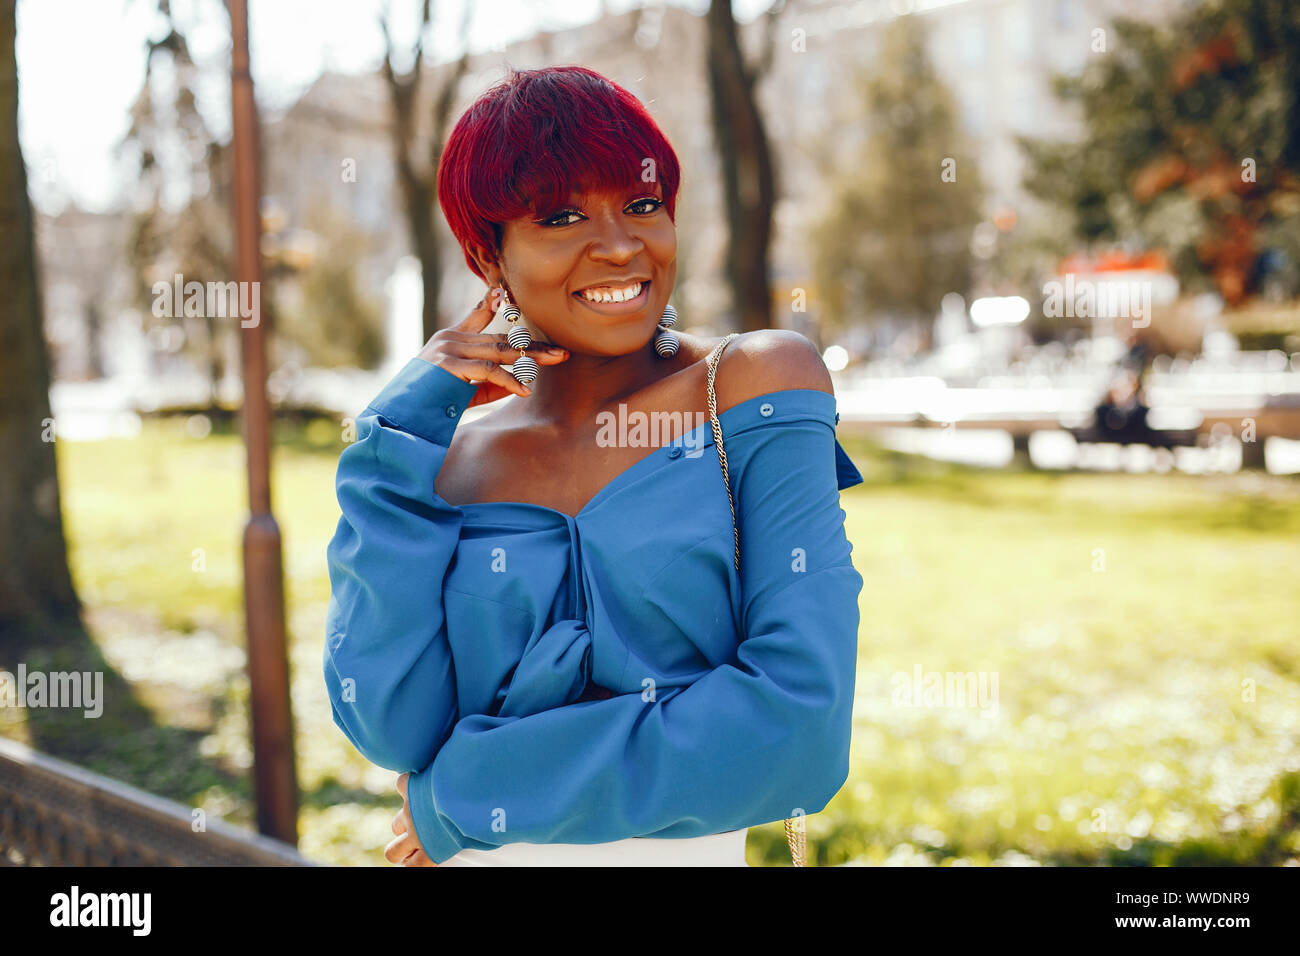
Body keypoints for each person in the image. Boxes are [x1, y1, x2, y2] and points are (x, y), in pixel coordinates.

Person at [322, 66, 865, 866]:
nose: (618, 245)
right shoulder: (441, 458)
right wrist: (398, 428)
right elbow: (391, 723)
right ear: (487, 255)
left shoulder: (758, 385)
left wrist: (469, 792)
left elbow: (797, 735)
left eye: (642, 205)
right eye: (562, 216)